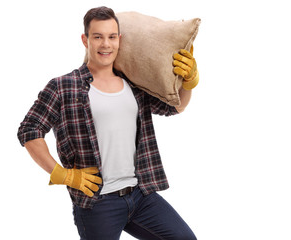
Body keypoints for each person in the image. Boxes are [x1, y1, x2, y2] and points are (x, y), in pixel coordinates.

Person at [17, 6, 199, 240]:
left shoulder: (134, 84)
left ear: (119, 40)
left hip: (141, 195)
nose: (106, 44)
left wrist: (189, 81)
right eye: (98, 37)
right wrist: (63, 174)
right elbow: (30, 130)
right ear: (85, 40)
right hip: (98, 202)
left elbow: (175, 107)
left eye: (112, 37)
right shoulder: (63, 86)